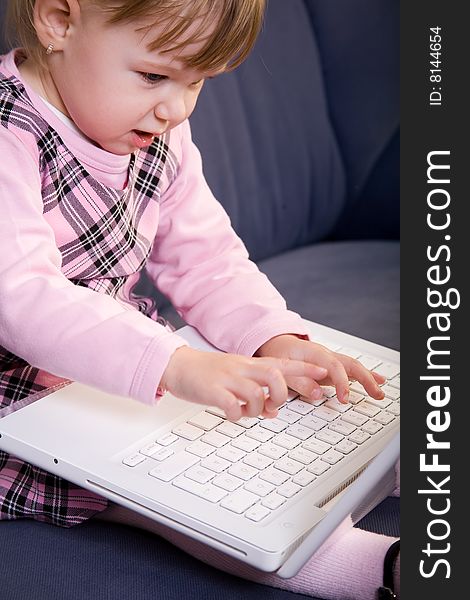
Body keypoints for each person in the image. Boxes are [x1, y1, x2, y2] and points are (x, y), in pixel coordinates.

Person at [0, 1, 400, 598]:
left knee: (333, 420)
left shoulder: (156, 130)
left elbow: (208, 259)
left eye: (199, 82)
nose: (176, 108)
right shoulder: (11, 135)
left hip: (127, 362)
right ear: (58, 20)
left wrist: (276, 338)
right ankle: (386, 569)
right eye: (155, 76)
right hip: (17, 399)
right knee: (218, 509)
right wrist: (177, 364)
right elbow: (23, 298)